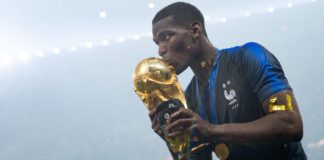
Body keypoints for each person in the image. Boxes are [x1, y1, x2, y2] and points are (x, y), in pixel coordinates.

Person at [148, 2, 307, 160]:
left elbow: (289, 122)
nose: (161, 50)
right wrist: (172, 140)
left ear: (195, 30)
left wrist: (211, 131)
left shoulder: (249, 58)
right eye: (158, 42)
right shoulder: (189, 98)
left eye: (166, 36)